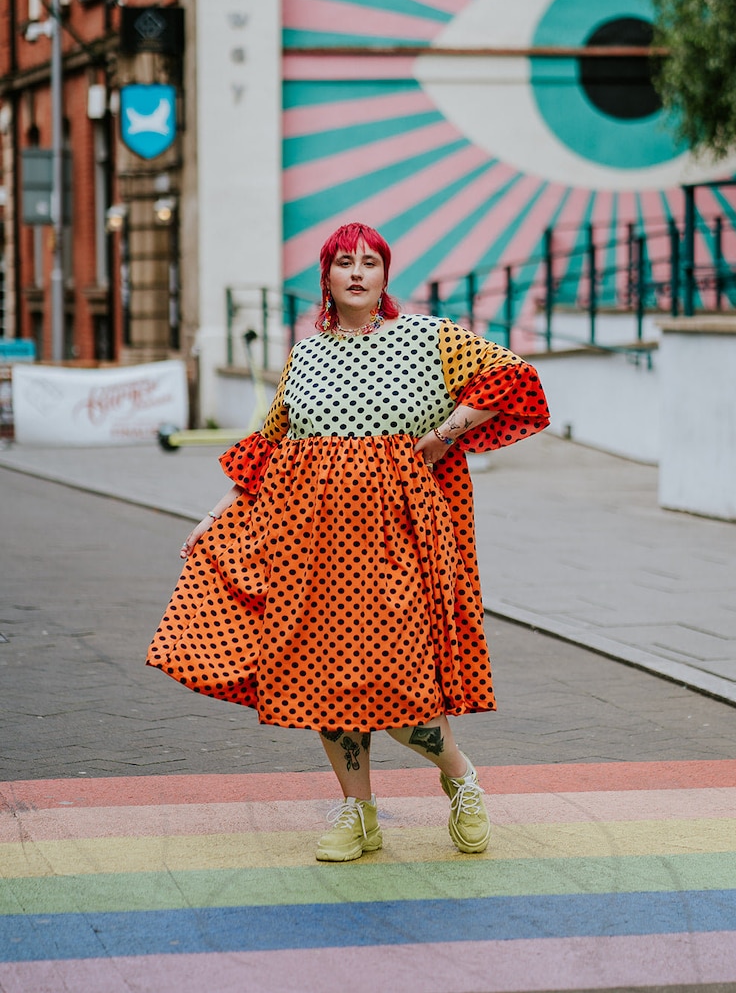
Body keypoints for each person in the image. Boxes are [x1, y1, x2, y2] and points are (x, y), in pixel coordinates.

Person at [147, 223, 549, 862]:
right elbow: (271, 443)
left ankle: (460, 777)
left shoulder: (428, 337)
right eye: (343, 263)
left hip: (398, 542)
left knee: (401, 683)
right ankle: (357, 812)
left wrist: (445, 433)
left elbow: (514, 379)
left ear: (386, 276)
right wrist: (216, 511)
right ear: (326, 278)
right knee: (321, 679)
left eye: (370, 262)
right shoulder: (304, 355)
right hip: (310, 546)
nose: (357, 272)